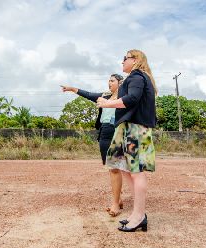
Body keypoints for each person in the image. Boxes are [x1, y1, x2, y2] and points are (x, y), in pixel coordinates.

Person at [96, 49, 156, 232]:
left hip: (135, 128)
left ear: (135, 60)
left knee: (136, 172)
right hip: (127, 127)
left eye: (125, 59)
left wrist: (107, 103)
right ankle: (138, 213)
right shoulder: (135, 77)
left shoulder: (138, 75)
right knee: (124, 169)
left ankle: (139, 215)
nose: (122, 62)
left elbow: (131, 99)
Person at [61, 74, 125, 216]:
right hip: (104, 132)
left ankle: (115, 204)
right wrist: (72, 89)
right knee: (110, 167)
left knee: (115, 168)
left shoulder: (125, 98)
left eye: (112, 81)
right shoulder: (104, 96)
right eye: (108, 80)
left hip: (118, 131)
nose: (109, 83)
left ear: (120, 83)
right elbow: (88, 94)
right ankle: (118, 198)